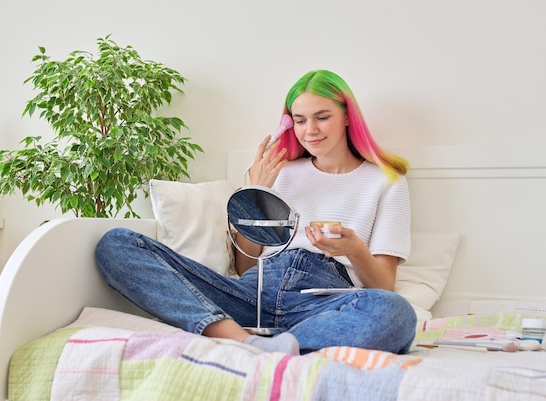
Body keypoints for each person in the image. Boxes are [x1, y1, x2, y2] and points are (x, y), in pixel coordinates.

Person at [96, 70, 417, 356]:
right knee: (117, 244)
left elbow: (384, 286)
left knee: (396, 313)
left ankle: (273, 341)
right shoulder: (279, 172)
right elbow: (246, 264)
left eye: (322, 117)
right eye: (300, 120)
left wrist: (354, 249)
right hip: (253, 292)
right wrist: (254, 195)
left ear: (347, 116)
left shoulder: (385, 181)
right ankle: (240, 338)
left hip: (324, 301)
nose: (310, 131)